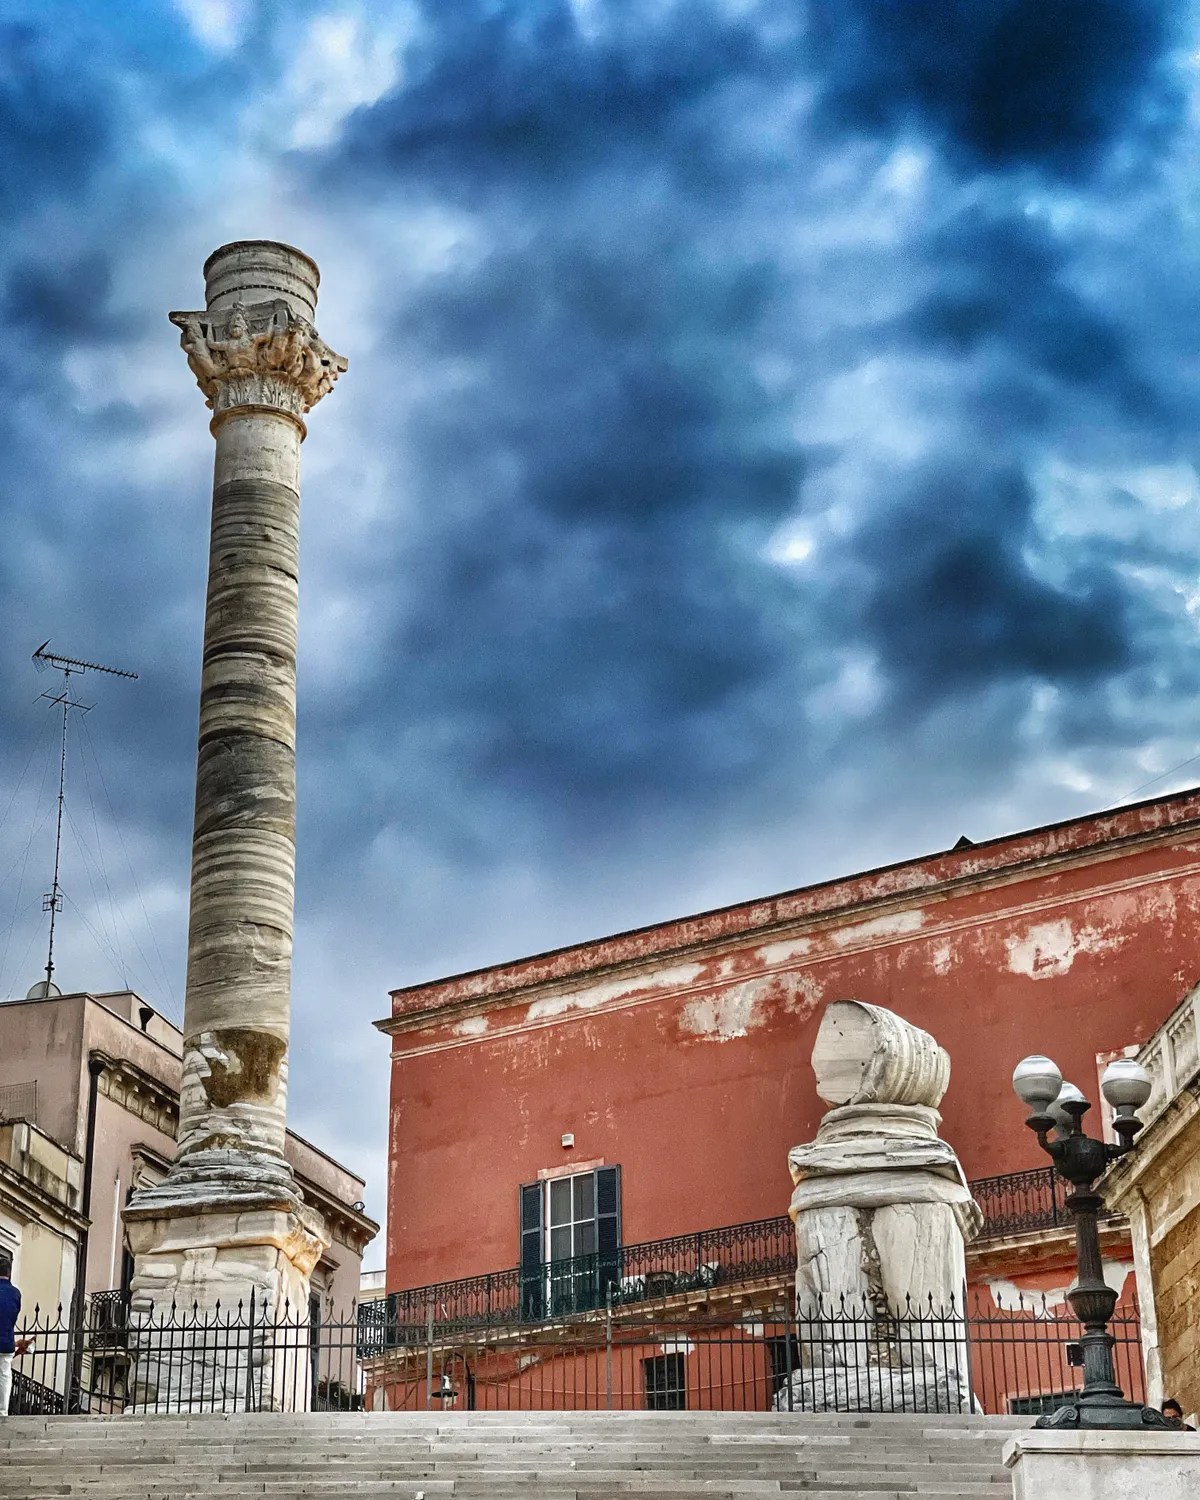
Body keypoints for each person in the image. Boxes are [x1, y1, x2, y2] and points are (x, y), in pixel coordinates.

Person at [0, 1252, 22, 1417]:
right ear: (9, 1273)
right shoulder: (15, 1293)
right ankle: (3, 1411)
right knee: (5, 1375)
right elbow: (14, 1315)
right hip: (6, 1341)